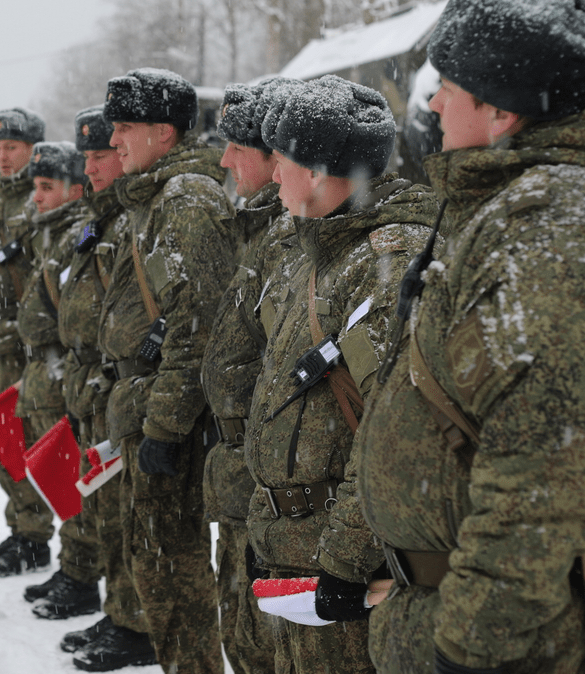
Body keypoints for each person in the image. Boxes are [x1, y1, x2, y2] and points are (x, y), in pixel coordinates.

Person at [358, 0, 585, 674]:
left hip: (519, 643)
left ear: (502, 113)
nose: (431, 102)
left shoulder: (551, 232)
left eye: (449, 87)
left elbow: (547, 476)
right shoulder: (510, 207)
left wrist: (473, 643)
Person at [242, 75, 438, 673]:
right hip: (295, 551)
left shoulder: (386, 263)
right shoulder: (317, 254)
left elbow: (392, 436)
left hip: (342, 562)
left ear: (323, 171)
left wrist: (346, 559)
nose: (273, 173)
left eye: (285, 160)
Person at [91, 68, 232, 673]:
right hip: (145, 407)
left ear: (166, 134)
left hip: (170, 421)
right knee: (152, 563)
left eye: (125, 127)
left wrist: (165, 429)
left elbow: (196, 330)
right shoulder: (152, 201)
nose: (113, 138)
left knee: (172, 569)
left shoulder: (188, 202)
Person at [200, 80, 298, 674]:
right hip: (243, 472)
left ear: (275, 156)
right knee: (240, 625)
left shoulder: (294, 236)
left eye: (237, 147)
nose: (224, 161)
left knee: (268, 642)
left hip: (280, 487)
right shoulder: (255, 231)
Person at [48, 106, 153, 663]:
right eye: (86, 157)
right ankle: (119, 612)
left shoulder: (137, 218)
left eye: (100, 156)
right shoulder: (101, 218)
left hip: (127, 384)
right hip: (94, 381)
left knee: (129, 517)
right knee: (105, 512)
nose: (90, 167)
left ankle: (135, 624)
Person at [0, 141, 91, 578]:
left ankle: (79, 573)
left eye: (47, 186)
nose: (36, 196)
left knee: (74, 484)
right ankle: (70, 568)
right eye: (35, 186)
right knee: (54, 478)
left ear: (76, 190)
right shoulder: (48, 231)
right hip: (42, 375)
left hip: (61, 377)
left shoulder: (78, 236)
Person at [0, 106, 51, 572]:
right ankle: (20, 527)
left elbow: (44, 282)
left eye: (11, 147)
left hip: (21, 345)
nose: (2, 156)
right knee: (1, 443)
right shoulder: (3, 205)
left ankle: (35, 537)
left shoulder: (38, 200)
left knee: (21, 442)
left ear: (33, 149)